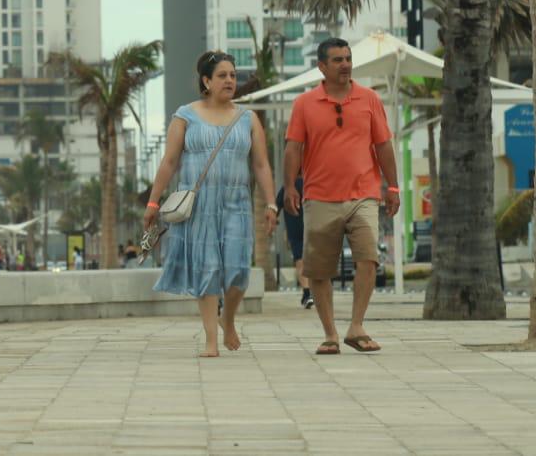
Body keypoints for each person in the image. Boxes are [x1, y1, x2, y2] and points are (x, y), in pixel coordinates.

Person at [146, 50, 278, 358]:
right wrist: (153, 202)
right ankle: (210, 339)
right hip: (199, 206)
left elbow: (260, 165)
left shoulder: (248, 118)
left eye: (233, 75)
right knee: (207, 270)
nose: (230, 80)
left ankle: (227, 319)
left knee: (238, 271)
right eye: (222, 75)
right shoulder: (185, 115)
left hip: (237, 203)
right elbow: (169, 162)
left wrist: (271, 204)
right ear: (206, 81)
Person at [284, 39, 399, 355]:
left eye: (348, 58)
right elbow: (293, 148)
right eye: (337, 60)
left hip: (363, 194)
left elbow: (384, 146)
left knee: (368, 258)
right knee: (319, 270)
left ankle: (356, 326)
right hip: (319, 197)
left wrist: (393, 186)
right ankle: (330, 333)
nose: (345, 64)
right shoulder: (304, 104)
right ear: (321, 66)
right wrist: (290, 187)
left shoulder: (369, 99)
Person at [276, 180, 311, 308]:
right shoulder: (311, 183)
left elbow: (276, 205)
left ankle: (307, 293)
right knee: (310, 261)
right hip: (311, 229)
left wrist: (274, 218)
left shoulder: (287, 186)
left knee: (300, 261)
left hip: (295, 230)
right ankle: (309, 293)